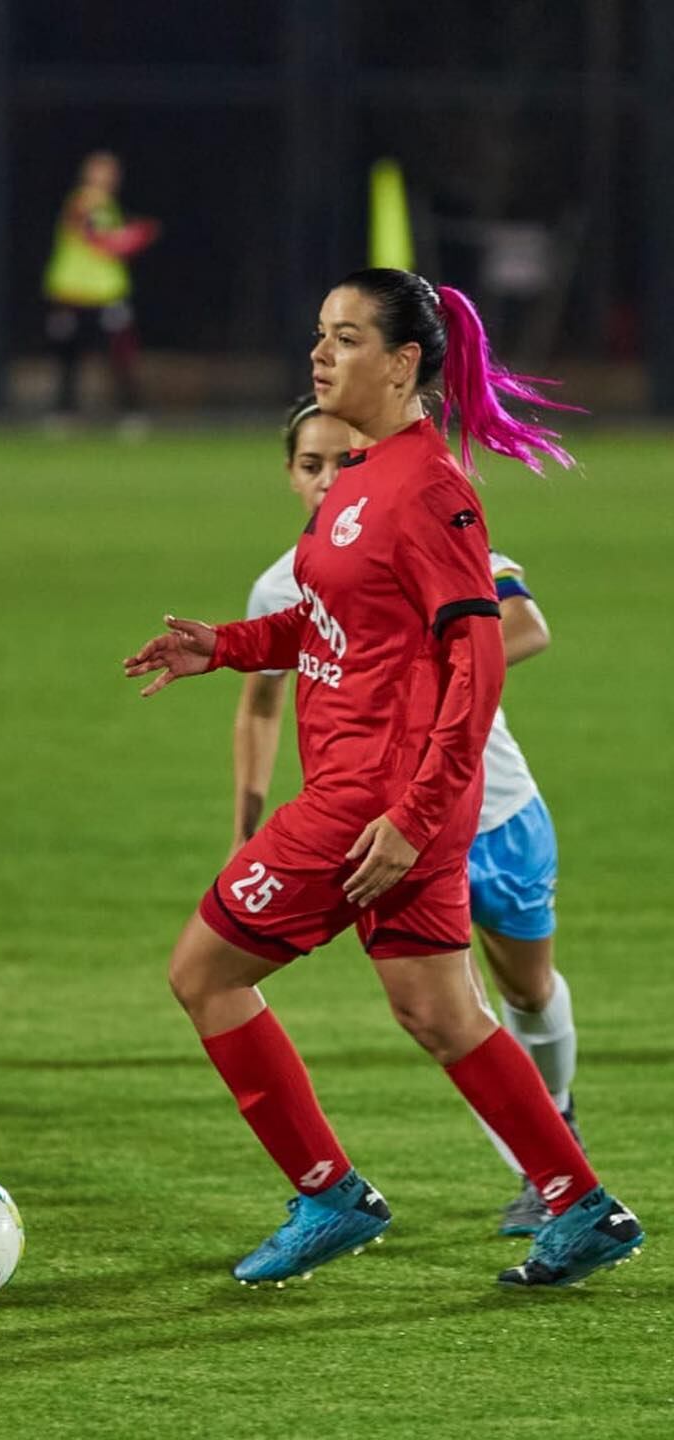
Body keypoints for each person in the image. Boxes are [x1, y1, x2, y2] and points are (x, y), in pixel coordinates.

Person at [124, 268, 643, 1289]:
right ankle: (583, 1207)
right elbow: (326, 625)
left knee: (203, 973)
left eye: (348, 337)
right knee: (442, 1014)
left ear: (405, 364)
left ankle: (327, 1192)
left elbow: (481, 660)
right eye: (320, 333)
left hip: (369, 805)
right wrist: (223, 646)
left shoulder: (431, 490)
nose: (321, 353)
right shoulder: (356, 480)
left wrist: (411, 815)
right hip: (382, 803)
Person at [231, 398, 586, 1237]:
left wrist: (413, 662)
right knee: (448, 1009)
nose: (326, 479)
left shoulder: (421, 522)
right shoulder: (285, 580)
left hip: (494, 810)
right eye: (309, 465)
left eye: (341, 461)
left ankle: (559, 1114)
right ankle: (549, 1175)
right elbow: (258, 710)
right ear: (289, 475)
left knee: (528, 989)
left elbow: (524, 625)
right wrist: (248, 818)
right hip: (390, 828)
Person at [41, 150, 160, 431]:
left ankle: (132, 412)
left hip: (106, 293)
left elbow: (108, 240)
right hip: (73, 291)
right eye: (100, 171)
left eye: (110, 172)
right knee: (68, 354)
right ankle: (64, 412)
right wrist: (136, 235)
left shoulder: (107, 206)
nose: (107, 178)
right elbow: (101, 241)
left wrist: (131, 236)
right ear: (87, 174)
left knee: (122, 354)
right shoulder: (84, 202)